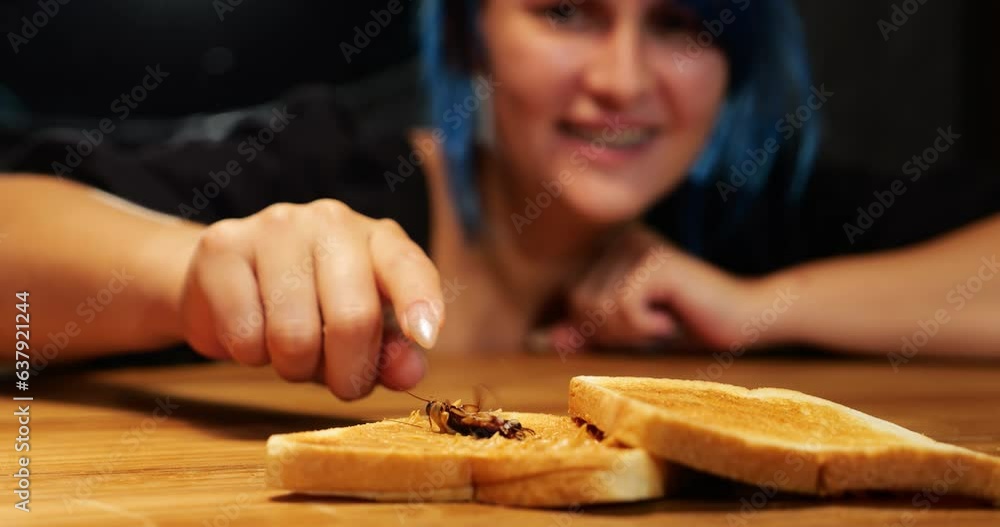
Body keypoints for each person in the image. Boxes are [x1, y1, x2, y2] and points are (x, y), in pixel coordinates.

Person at [1, 0, 997, 401]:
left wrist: (760, 307)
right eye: (566, 11)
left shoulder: (740, 223)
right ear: (471, 36)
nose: (620, 79)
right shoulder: (331, 173)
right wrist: (192, 271)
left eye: (680, 24)